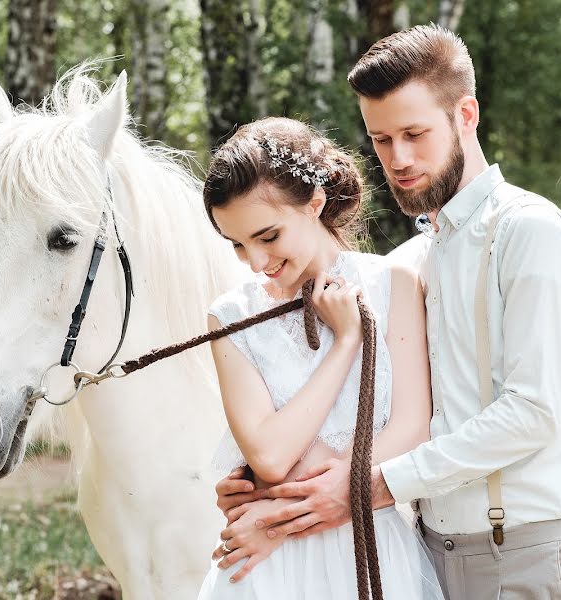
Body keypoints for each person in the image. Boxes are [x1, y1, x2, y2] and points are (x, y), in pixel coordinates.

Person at [214, 25, 561, 599]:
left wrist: (368, 486)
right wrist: (265, 490)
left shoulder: (528, 233)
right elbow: (391, 413)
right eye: (380, 139)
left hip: (529, 552)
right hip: (430, 556)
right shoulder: (411, 262)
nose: (398, 159)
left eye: (415, 134)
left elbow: (533, 412)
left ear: (466, 115)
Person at [196, 116, 443, 599]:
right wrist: (347, 342)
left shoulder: (392, 286)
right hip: (270, 571)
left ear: (315, 203)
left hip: (372, 545)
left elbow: (412, 428)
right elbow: (269, 456)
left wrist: (281, 517)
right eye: (238, 245)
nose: (256, 261)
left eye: (268, 236)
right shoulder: (231, 316)